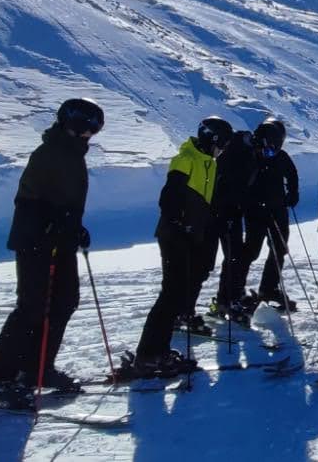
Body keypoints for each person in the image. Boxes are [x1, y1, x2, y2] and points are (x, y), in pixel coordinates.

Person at [0, 98, 100, 409]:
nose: (91, 136)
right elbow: (28, 199)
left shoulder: (71, 154)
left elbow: (63, 201)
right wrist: (52, 222)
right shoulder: (49, 153)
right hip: (36, 241)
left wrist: (72, 226)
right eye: (88, 129)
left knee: (65, 302)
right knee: (31, 308)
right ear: (74, 125)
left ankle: (36, 369)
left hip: (60, 241)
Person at [126, 115, 232, 378]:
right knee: (171, 294)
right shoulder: (186, 159)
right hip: (175, 234)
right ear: (213, 140)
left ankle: (157, 351)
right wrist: (179, 222)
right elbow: (169, 197)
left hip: (188, 234)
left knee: (178, 293)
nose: (223, 150)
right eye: (223, 144)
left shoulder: (208, 162)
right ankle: (149, 356)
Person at [211, 119, 272, 322]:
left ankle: (229, 297)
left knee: (235, 255)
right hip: (224, 210)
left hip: (234, 210)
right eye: (267, 149)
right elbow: (224, 181)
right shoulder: (238, 150)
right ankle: (227, 301)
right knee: (233, 255)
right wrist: (226, 207)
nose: (267, 154)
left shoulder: (250, 151)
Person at [240, 118, 299, 310]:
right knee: (251, 250)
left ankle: (269, 288)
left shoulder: (281, 157)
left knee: (279, 249)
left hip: (277, 209)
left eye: (274, 150)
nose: (270, 154)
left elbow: (292, 174)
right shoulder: (251, 156)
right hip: (255, 210)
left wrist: (293, 193)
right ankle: (235, 292)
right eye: (267, 150)